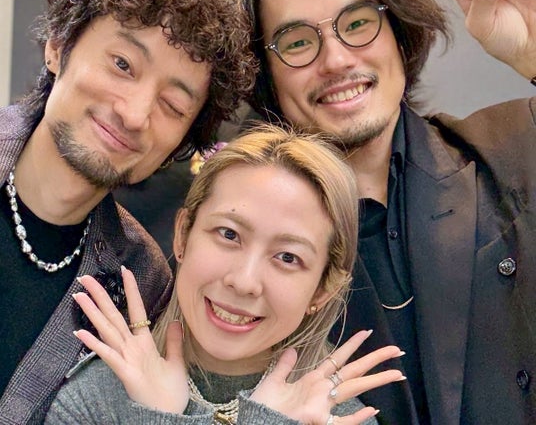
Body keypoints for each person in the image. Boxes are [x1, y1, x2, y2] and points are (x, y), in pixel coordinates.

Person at [243, 0, 536, 423]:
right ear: (267, 77)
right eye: (297, 42)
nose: (336, 60)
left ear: (399, 36)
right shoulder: (244, 246)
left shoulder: (517, 144)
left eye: (357, 24)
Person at [0, 0, 257, 422]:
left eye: (173, 105)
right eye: (122, 64)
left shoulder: (141, 283)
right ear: (58, 45)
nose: (136, 114)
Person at [45, 125, 406, 424]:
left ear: (322, 289)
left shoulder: (335, 418)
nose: (244, 282)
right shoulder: (93, 402)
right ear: (183, 235)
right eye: (229, 235)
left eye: (288, 257)